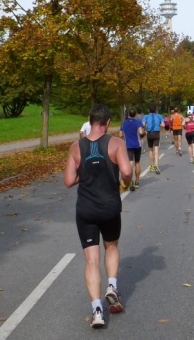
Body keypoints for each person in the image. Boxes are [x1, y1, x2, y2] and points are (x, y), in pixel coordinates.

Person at [64, 104, 132, 328]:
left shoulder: (76, 147)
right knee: (111, 246)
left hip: (86, 210)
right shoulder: (116, 143)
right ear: (108, 122)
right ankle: (112, 286)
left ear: (89, 120)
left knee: (91, 260)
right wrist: (126, 183)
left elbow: (68, 181)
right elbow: (126, 172)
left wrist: (83, 173)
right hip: (110, 208)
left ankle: (97, 311)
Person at [119, 108, 145, 191]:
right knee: (137, 162)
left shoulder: (124, 123)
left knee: (130, 162)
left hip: (128, 145)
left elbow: (120, 135)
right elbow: (140, 132)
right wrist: (144, 133)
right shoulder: (138, 122)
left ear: (128, 114)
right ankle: (137, 181)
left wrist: (126, 135)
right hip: (137, 145)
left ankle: (130, 180)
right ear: (135, 114)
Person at [143, 107, 164, 174]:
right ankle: (156, 165)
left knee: (150, 150)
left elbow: (143, 124)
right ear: (155, 110)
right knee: (156, 149)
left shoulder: (146, 116)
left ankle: (152, 165)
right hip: (156, 133)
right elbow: (163, 125)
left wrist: (145, 130)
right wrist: (158, 124)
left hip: (149, 133)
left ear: (149, 110)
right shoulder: (159, 116)